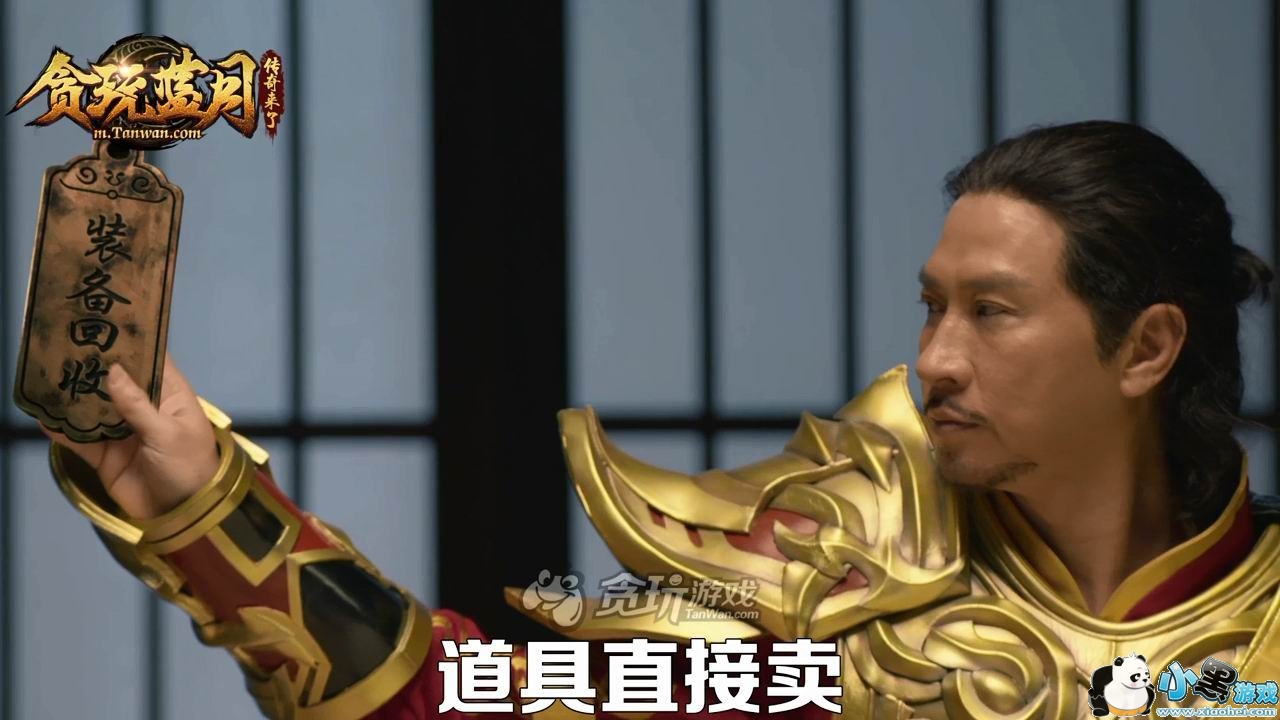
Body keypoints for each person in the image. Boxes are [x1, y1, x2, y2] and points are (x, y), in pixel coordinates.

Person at [43, 120, 1279, 719]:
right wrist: (209, 508)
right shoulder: (839, 583)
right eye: (930, 308)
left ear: (1146, 347)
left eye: (991, 313)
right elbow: (468, 701)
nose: (931, 362)